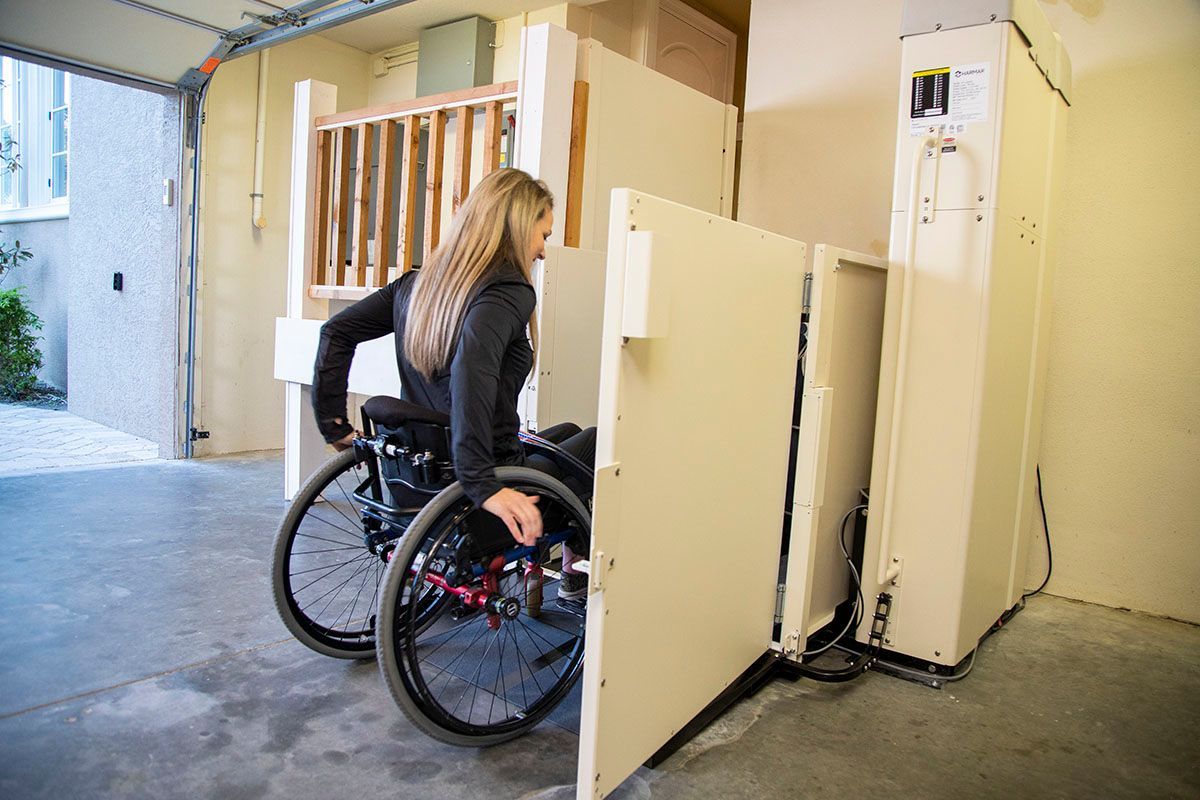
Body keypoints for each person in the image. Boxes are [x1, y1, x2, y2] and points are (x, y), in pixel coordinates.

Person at [310, 168, 594, 608]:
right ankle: (575, 579)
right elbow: (472, 370)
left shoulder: (417, 286)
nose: (542, 250)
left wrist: (333, 424)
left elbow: (335, 332)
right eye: (543, 234)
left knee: (567, 429)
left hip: (421, 477)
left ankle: (563, 569)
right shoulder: (508, 290)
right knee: (593, 444)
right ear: (518, 228)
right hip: (481, 478)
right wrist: (482, 484)